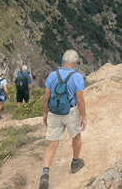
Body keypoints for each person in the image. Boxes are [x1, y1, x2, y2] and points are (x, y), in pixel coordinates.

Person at [39, 50, 87, 189]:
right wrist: (83, 116)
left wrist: (45, 113)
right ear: (75, 62)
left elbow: (46, 97)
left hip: (54, 112)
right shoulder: (77, 76)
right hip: (71, 112)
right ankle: (75, 163)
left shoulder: (53, 75)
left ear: (62, 60)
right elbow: (80, 99)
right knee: (76, 137)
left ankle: (45, 174)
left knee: (52, 144)